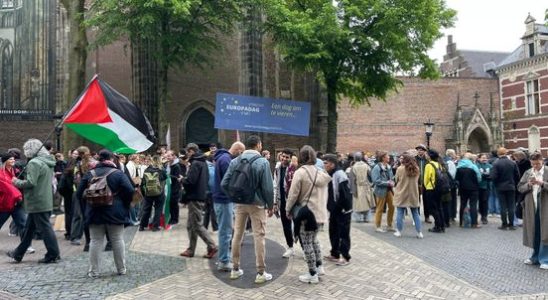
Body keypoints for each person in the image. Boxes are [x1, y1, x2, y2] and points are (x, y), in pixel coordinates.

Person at [221, 135, 274, 284]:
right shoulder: (262, 162)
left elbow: (225, 183)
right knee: (259, 236)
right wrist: (270, 205)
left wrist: (234, 196)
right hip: (257, 204)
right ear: (258, 145)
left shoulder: (235, 161)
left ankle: (235, 269)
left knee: (237, 234)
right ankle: (260, 272)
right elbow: (268, 188)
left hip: (240, 203)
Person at [76, 150, 134, 278]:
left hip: (94, 212)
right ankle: (121, 269)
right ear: (111, 159)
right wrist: (124, 203)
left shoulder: (89, 174)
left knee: (95, 241)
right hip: (115, 212)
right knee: (117, 240)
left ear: (98, 159)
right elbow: (130, 190)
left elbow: (78, 194)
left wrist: (89, 200)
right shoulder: (118, 173)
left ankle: (94, 271)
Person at [7, 139, 60, 263]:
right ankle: (18, 253)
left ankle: (53, 254)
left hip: (37, 200)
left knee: (45, 229)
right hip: (43, 199)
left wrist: (16, 181)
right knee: (28, 230)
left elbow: (31, 182)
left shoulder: (35, 163)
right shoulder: (46, 162)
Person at [286, 146, 331, 284]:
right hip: (319, 213)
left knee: (306, 243)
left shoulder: (301, 172)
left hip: (306, 213)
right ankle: (319, 266)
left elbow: (293, 194)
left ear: (302, 157)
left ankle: (312, 274)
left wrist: (288, 209)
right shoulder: (321, 172)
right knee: (314, 240)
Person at [179, 146, 217, 259]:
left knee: (197, 224)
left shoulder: (196, 163)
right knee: (190, 225)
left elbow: (191, 181)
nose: (187, 155)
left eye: (188, 152)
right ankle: (191, 249)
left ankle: (212, 246)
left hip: (195, 197)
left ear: (192, 151)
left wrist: (182, 180)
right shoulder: (203, 162)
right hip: (199, 195)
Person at [212, 141, 245, 271]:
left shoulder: (222, 158)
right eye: (241, 153)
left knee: (224, 230)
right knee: (225, 232)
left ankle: (223, 257)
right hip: (224, 200)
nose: (241, 156)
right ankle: (224, 261)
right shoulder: (226, 160)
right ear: (237, 150)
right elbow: (229, 181)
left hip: (221, 199)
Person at [517, 152, 548, 270]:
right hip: (531, 206)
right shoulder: (528, 172)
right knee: (534, 231)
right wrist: (529, 185)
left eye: (538, 164)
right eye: (533, 164)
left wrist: (542, 183)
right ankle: (535, 257)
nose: (535, 166)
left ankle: (545, 259)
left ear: (542, 161)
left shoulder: (547, 171)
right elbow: (520, 187)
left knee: (545, 232)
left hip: (545, 206)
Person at [323, 154, 353, 266]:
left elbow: (345, 194)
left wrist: (344, 208)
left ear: (332, 164)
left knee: (343, 233)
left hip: (342, 210)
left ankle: (345, 257)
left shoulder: (340, 174)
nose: (324, 165)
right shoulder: (330, 174)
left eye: (326, 163)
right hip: (334, 209)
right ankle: (335, 253)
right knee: (333, 231)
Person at [393, 154, 423, 238]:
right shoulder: (417, 169)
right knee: (415, 213)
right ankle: (419, 232)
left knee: (400, 212)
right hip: (413, 193)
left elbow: (396, 180)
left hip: (402, 192)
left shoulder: (400, 169)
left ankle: (399, 231)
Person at [273, 148, 296, 258]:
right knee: (286, 226)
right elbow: (275, 186)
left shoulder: (293, 170)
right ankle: (290, 247)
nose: (284, 159)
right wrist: (274, 203)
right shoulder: (277, 168)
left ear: (291, 159)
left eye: (287, 157)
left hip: (294, 202)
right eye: (283, 156)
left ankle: (305, 248)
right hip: (282, 201)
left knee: (298, 226)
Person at [491, 147, 520, 230]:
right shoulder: (512, 163)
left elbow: (493, 177)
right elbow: (517, 176)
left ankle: (504, 224)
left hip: (500, 187)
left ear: (498, 154)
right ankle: (511, 224)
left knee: (502, 206)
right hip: (511, 186)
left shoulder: (496, 164)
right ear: (506, 153)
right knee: (511, 206)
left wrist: (496, 184)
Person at [0, 153, 26, 237]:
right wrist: (18, 195)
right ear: (5, 161)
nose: (13, 160)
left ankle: (26, 246)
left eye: (13, 159)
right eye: (10, 159)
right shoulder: (1, 173)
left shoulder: (16, 170)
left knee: (23, 224)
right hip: (5, 205)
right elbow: (6, 187)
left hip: (16, 204)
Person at [139, 155, 167, 231]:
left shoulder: (147, 170)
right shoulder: (162, 170)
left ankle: (142, 226)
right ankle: (155, 226)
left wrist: (144, 193)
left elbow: (143, 183)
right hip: (159, 192)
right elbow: (165, 178)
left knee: (146, 209)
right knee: (158, 209)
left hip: (148, 193)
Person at [456, 153, 482, 228]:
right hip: (473, 188)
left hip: (463, 188)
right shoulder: (473, 166)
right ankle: (474, 223)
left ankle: (461, 222)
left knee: (463, 204)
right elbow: (479, 177)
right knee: (473, 205)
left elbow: (456, 178)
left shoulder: (458, 167)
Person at [371, 151, 395, 232]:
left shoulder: (388, 167)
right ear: (383, 158)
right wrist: (387, 183)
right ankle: (378, 226)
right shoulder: (376, 168)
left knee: (392, 206)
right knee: (380, 208)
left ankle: (389, 225)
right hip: (380, 190)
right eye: (387, 156)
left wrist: (392, 181)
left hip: (389, 190)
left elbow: (391, 177)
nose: (389, 157)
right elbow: (375, 181)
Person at [348, 152, 374, 223]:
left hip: (358, 187)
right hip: (366, 186)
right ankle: (367, 218)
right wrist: (371, 184)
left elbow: (352, 180)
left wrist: (353, 190)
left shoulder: (353, 167)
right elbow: (371, 175)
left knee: (358, 204)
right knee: (366, 203)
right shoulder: (366, 166)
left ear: (355, 159)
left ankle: (358, 219)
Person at [423, 149, 445, 233]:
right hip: (439, 188)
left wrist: (426, 186)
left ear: (430, 156)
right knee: (439, 207)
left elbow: (426, 179)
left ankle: (437, 226)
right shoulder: (438, 164)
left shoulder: (429, 165)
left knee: (433, 209)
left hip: (431, 189)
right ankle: (442, 226)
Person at [165, 150, 183, 225]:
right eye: (167, 156)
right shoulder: (167, 165)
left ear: (173, 156)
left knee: (174, 204)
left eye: (169, 156)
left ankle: (175, 219)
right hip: (169, 187)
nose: (167, 157)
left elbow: (176, 177)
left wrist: (167, 175)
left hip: (175, 188)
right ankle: (172, 218)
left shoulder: (176, 166)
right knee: (171, 203)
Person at [203, 154, 218, 231]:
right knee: (213, 210)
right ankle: (215, 227)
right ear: (213, 161)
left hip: (205, 192)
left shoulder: (205, 167)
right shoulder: (211, 168)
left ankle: (204, 226)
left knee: (207, 210)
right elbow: (212, 182)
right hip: (211, 192)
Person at [415, 144, 429, 223]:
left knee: (426, 200)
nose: (420, 151)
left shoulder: (427, 160)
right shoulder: (414, 159)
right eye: (418, 150)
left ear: (424, 151)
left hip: (425, 182)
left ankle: (427, 217)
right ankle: (417, 216)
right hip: (416, 182)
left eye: (421, 150)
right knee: (417, 200)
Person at [476, 153, 492, 225]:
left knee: (485, 202)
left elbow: (492, 175)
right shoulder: (477, 166)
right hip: (479, 186)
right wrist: (485, 176)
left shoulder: (490, 166)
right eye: (483, 158)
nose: (484, 159)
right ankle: (481, 213)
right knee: (480, 202)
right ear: (479, 158)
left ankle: (484, 216)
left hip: (487, 186)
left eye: (485, 158)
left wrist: (486, 176)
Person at [444, 149, 458, 224]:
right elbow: (452, 174)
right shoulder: (450, 162)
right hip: (451, 184)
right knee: (451, 200)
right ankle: (451, 215)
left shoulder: (445, 161)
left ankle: (449, 215)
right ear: (451, 154)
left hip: (446, 184)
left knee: (448, 200)